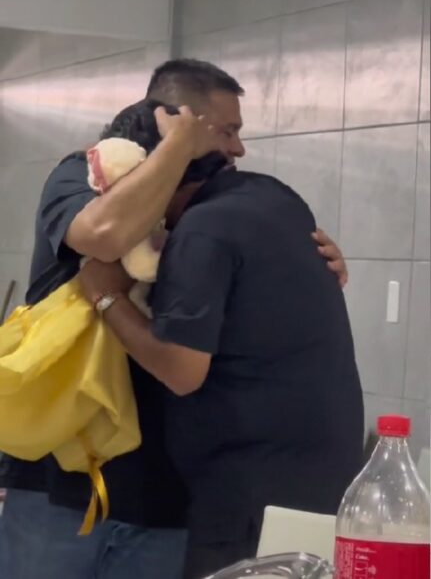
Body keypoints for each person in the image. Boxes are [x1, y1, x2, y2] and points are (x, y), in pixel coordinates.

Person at [0, 60, 348, 579]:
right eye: (225, 131)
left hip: (164, 490)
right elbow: (104, 236)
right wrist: (177, 149)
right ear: (174, 122)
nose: (237, 149)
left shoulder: (210, 214)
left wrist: (312, 268)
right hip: (62, 486)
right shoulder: (84, 174)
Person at [78, 99, 364, 579]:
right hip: (314, 480)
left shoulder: (203, 229)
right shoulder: (274, 196)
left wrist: (107, 299)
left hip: (247, 495)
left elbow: (183, 370)